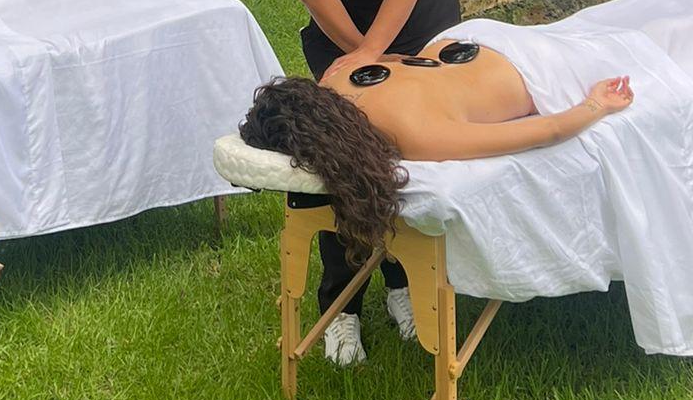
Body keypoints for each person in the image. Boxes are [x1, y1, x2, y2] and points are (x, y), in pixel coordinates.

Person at [281, 0, 461, 365]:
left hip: (420, 23)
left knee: (419, 153)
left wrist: (378, 56)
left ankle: (405, 285)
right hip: (342, 32)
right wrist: (362, 58)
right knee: (341, 161)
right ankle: (341, 307)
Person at [242, 40, 633, 275]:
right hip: (480, 38)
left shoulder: (411, 132)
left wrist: (597, 104)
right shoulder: (337, 77)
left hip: (545, 71)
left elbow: (547, 131)